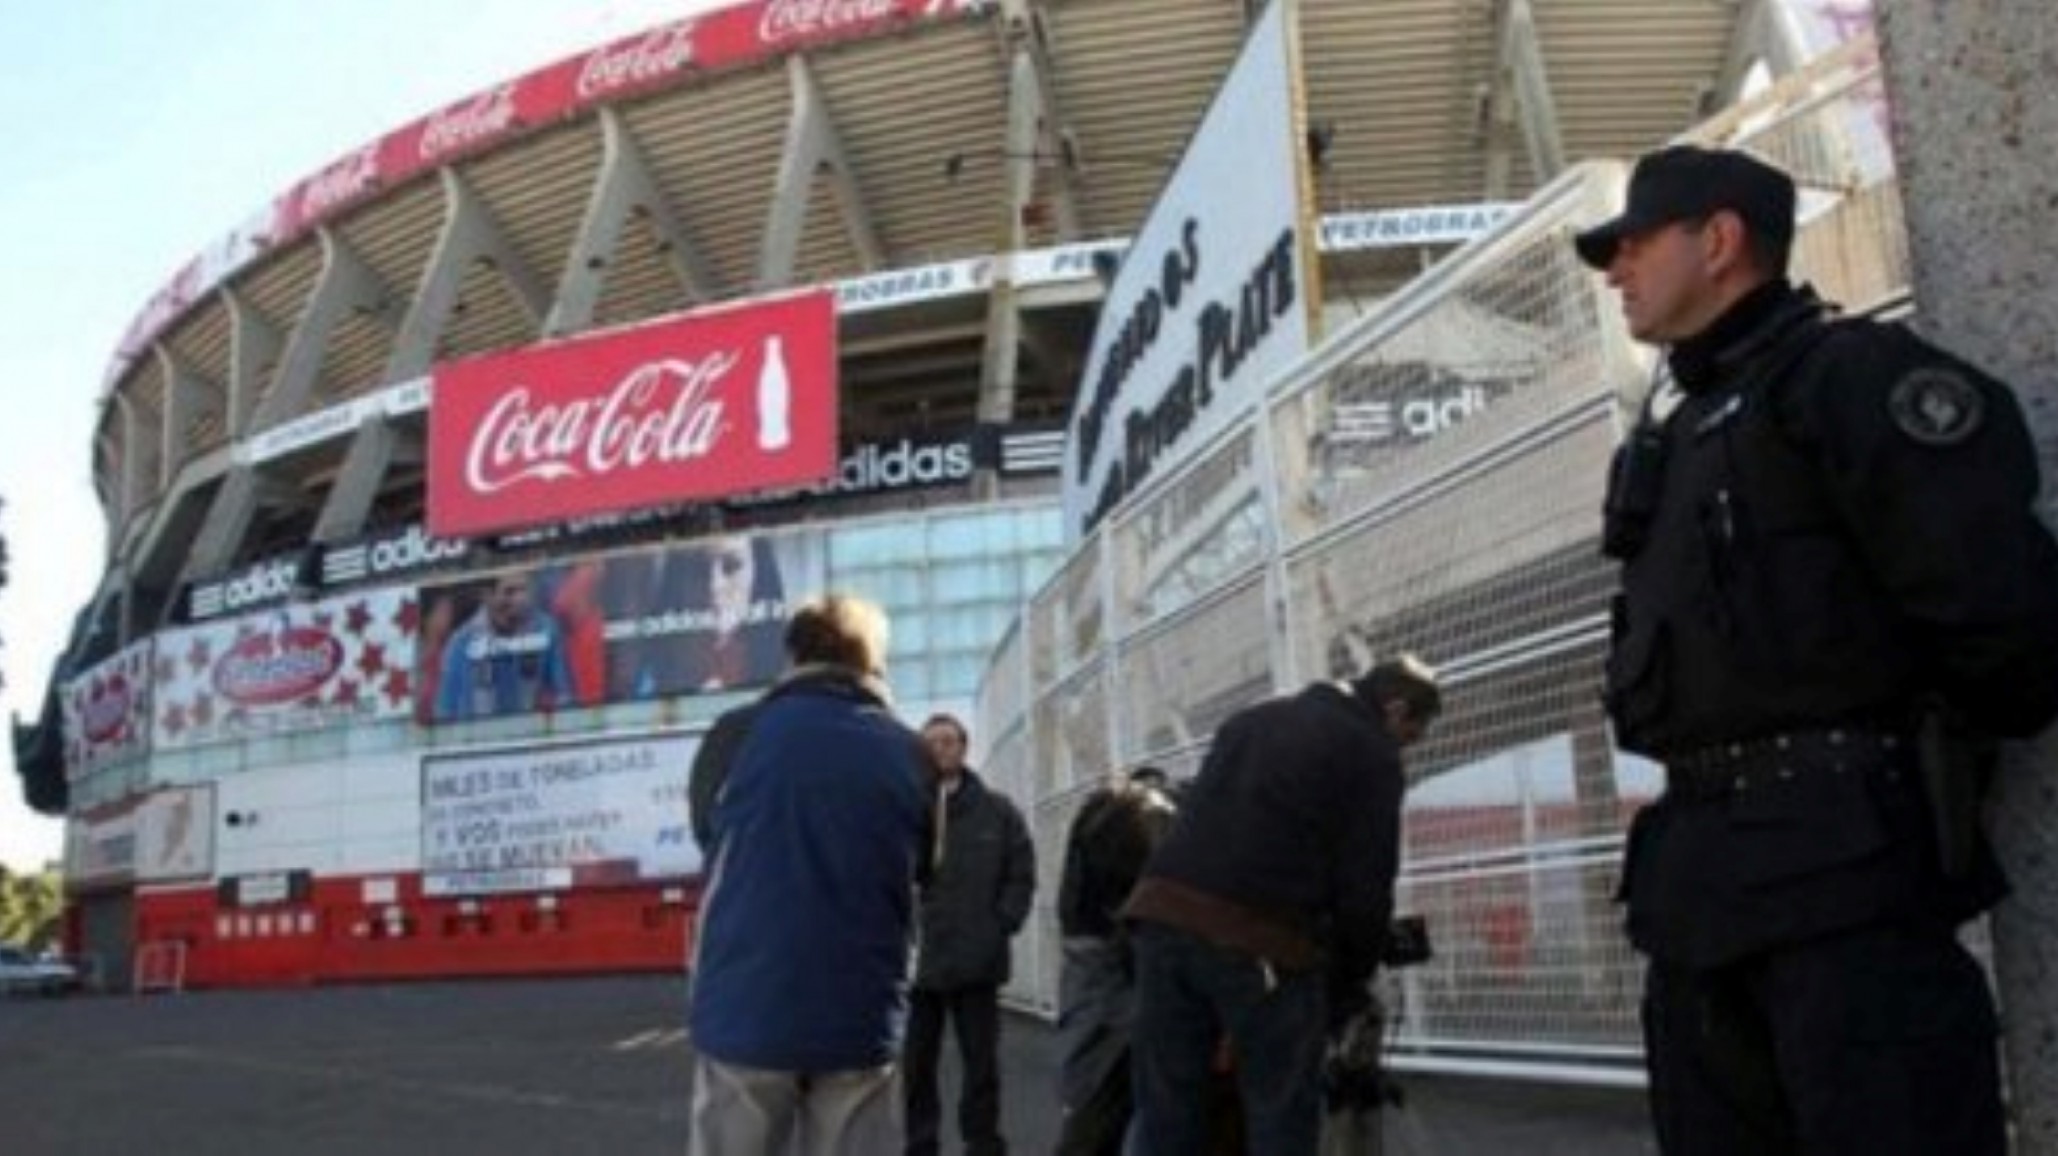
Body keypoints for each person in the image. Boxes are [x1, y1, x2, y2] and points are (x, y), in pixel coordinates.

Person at [1577, 144, 2058, 1155]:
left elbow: (1997, 610)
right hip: (1702, 901)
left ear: (1719, 240)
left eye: (1634, 244)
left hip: (1846, 884)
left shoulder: (1851, 377)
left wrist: (1914, 761)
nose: (1615, 270)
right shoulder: (1672, 439)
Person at [1123, 656, 1442, 1156]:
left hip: (1160, 916)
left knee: (1167, 1109)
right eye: (1411, 734)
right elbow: (1366, 885)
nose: (1406, 746)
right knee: (1280, 1109)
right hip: (1262, 941)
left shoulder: (1251, 720)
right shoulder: (1371, 752)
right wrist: (1350, 980)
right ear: (1396, 708)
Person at [687, 593, 936, 1155]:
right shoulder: (911, 752)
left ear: (793, 654)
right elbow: (928, 867)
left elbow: (709, 834)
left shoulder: (735, 735)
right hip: (861, 1005)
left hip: (744, 1001)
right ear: (872, 661)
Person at [904, 712, 1036, 1156]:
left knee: (981, 1065)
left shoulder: (998, 811)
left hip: (978, 960)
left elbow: (1021, 872)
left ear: (964, 747)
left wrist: (1002, 924)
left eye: (948, 740)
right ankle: (920, 1144)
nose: (940, 749)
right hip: (920, 962)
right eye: (931, 742)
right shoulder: (906, 810)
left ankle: (983, 1143)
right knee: (916, 1065)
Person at [1053, 765, 1178, 1156]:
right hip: (1110, 949)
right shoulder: (1144, 825)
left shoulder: (1104, 819)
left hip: (1097, 950)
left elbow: (1077, 906)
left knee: (1095, 1082)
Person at [431, 572, 577, 721]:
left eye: (523, 590)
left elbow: (565, 694)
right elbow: (445, 712)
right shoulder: (461, 644)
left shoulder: (546, 629)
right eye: (509, 592)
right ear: (486, 595)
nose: (519, 600)